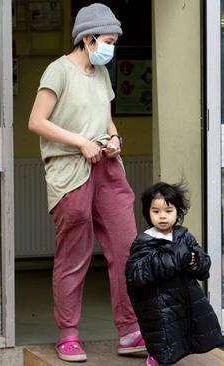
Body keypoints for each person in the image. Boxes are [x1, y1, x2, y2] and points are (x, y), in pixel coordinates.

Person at [27, 3, 144, 362]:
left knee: (126, 250)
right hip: (71, 172)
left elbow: (107, 119)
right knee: (74, 257)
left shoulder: (101, 74)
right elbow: (36, 121)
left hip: (107, 169)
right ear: (88, 38)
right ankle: (68, 336)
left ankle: (129, 330)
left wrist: (115, 139)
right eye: (108, 41)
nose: (112, 48)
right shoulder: (58, 71)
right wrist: (80, 142)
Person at [125, 182, 224, 366]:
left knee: (181, 332)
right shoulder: (144, 241)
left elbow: (202, 264)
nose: (162, 216)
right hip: (157, 303)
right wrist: (179, 257)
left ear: (178, 212)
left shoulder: (184, 236)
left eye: (168, 211)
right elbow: (137, 274)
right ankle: (154, 358)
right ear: (148, 213)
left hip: (182, 298)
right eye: (156, 211)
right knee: (163, 335)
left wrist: (195, 261)